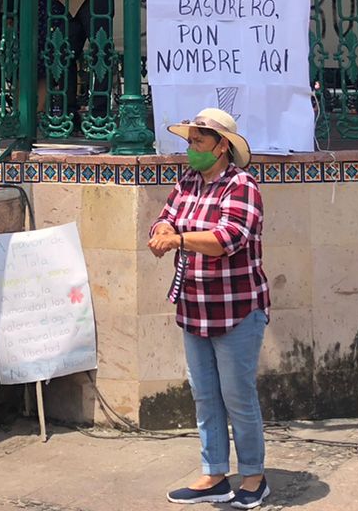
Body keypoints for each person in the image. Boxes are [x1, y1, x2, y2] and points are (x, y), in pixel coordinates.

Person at [148, 109, 271, 508]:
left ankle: (253, 477)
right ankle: (214, 474)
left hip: (236, 309)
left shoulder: (242, 186)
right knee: (205, 396)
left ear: (222, 147)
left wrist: (178, 238)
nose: (192, 149)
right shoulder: (187, 181)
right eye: (190, 141)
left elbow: (227, 238)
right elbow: (164, 218)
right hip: (194, 306)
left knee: (238, 396)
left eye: (199, 142)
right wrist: (163, 230)